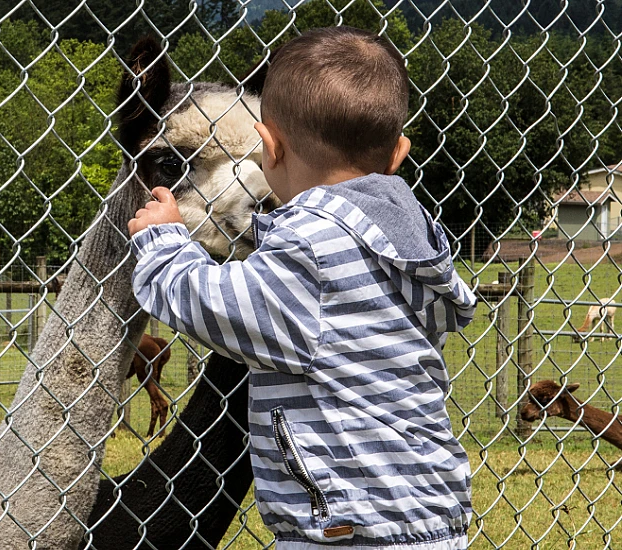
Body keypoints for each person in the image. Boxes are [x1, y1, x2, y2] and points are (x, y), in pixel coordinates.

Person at [127, 26, 476, 550]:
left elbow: (212, 304)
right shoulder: (412, 238)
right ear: (399, 152)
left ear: (269, 148)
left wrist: (162, 243)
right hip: (432, 513)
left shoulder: (308, 253)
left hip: (344, 528)